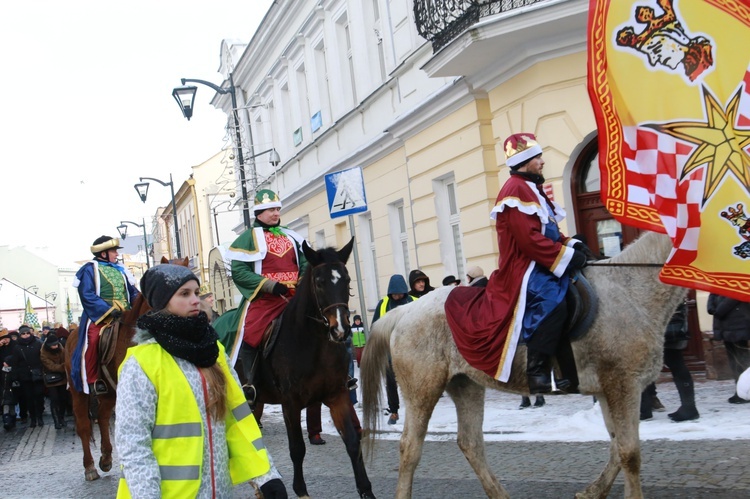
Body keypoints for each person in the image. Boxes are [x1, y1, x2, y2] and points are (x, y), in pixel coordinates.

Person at [115, 264, 288, 498]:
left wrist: (266, 476)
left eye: (196, 293)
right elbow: (134, 445)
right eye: (184, 294)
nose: (196, 300)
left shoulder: (214, 350)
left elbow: (237, 421)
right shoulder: (141, 363)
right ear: (162, 301)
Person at [445, 133, 588, 394]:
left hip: (541, 261)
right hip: (524, 268)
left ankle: (568, 372)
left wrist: (572, 245)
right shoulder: (514, 190)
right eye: (538, 158)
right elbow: (529, 240)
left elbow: (550, 232)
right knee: (551, 299)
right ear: (525, 161)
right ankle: (537, 371)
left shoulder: (532, 188)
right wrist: (564, 256)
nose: (543, 162)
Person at [224, 190, 307, 405]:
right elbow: (240, 272)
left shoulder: (291, 235)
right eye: (271, 210)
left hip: (296, 295)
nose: (275, 213)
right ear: (259, 213)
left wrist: (303, 278)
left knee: (326, 320)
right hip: (265, 298)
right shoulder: (246, 239)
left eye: (277, 209)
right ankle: (251, 383)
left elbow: (306, 261)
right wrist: (270, 286)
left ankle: (339, 374)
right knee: (250, 333)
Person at [71, 236, 139, 395]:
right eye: (113, 251)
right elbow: (87, 294)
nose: (116, 254)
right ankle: (93, 380)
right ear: (103, 254)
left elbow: (133, 292)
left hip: (126, 313)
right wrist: (107, 310)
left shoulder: (121, 270)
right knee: (93, 340)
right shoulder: (89, 269)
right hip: (102, 315)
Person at [640, 301, 699, 421]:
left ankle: (644, 410)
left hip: (662, 330)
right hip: (671, 329)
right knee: (675, 365)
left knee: (644, 366)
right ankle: (689, 407)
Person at [373, 274, 417, 424]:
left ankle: (414, 411)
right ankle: (394, 412)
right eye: (394, 293)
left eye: (400, 293)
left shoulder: (413, 302)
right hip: (389, 352)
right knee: (391, 383)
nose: (397, 296)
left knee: (411, 382)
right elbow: (375, 327)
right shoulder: (383, 304)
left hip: (410, 351)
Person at [708, 293, 750, 404]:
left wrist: (718, 311)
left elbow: (732, 297)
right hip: (725, 327)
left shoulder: (735, 281)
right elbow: (712, 295)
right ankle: (739, 390)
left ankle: (744, 392)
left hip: (738, 326)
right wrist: (711, 307)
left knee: (742, 362)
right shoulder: (719, 281)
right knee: (734, 361)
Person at [11, 325, 45, 427]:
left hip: (37, 374)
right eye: (23, 334)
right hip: (25, 376)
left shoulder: (38, 343)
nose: (26, 335)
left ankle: (39, 416)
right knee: (29, 398)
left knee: (39, 396)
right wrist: (16, 376)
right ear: (20, 335)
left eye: (27, 333)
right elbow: (15, 363)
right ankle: (33, 418)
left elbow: (42, 358)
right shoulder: (17, 347)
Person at [40, 333, 67, 429]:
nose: (55, 346)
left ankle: (62, 417)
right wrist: (64, 366)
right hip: (51, 379)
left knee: (63, 399)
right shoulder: (43, 352)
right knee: (54, 399)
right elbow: (50, 366)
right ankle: (56, 420)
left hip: (63, 377)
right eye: (53, 345)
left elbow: (66, 358)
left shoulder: (61, 348)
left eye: (56, 344)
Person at [1, 328, 18, 431]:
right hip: (2, 377)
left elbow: (17, 358)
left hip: (13, 375)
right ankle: (7, 418)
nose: (5, 341)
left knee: (13, 398)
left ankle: (12, 416)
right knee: (5, 398)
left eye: (7, 338)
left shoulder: (14, 346)